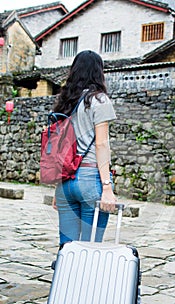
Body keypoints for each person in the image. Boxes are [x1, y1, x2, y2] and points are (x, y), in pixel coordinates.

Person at [52, 50, 117, 245]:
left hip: (66, 183)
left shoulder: (65, 103)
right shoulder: (99, 100)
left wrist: (57, 188)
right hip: (89, 179)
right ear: (99, 72)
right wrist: (107, 186)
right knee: (90, 249)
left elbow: (61, 148)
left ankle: (64, 276)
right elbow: (102, 143)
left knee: (67, 248)